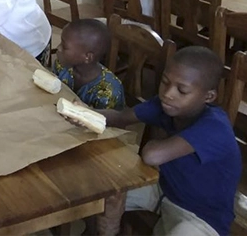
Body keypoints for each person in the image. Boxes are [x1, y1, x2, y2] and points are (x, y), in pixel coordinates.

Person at [66, 46, 240, 236]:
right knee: (99, 194)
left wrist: (151, 145)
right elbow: (121, 117)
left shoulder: (214, 127)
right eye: (165, 82)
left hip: (201, 216)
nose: (168, 93)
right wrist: (84, 112)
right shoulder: (168, 104)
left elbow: (151, 156)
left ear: (209, 97)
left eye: (182, 90)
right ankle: (109, 231)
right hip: (164, 189)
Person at [52, 19, 124, 110]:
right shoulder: (62, 66)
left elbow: (107, 122)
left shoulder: (108, 92)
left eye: (64, 46)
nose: (58, 48)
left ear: (88, 57)